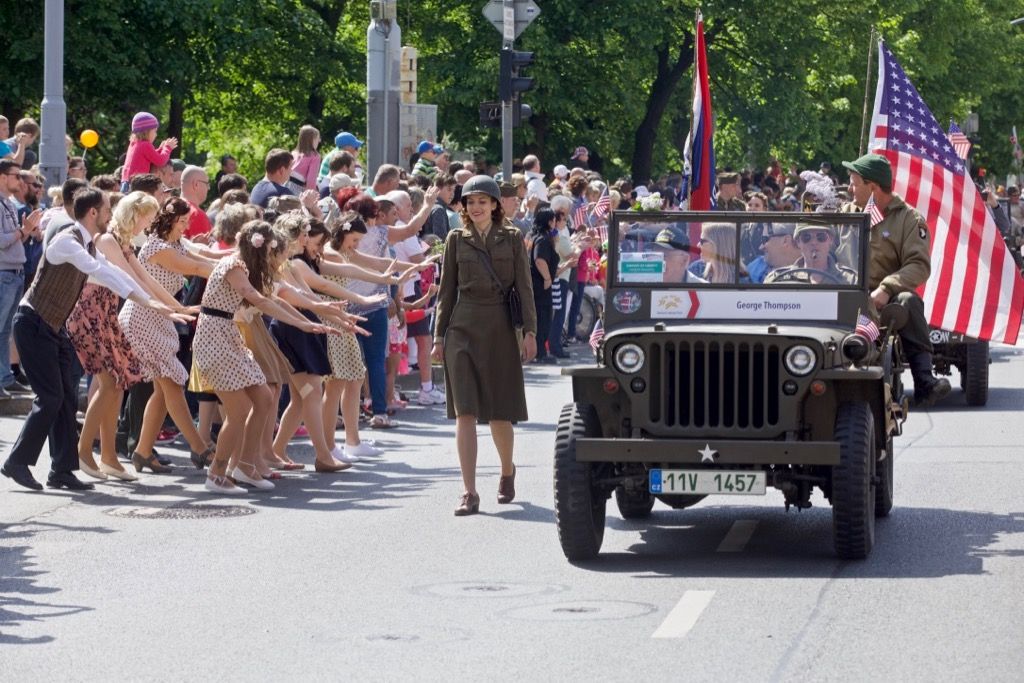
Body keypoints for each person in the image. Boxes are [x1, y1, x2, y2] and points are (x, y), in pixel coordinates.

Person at [1, 189, 186, 491]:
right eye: (107, 209)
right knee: (49, 398)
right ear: (93, 214)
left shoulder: (87, 243)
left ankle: (62, 470)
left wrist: (148, 300)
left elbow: (113, 270)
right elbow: (98, 270)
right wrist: (147, 302)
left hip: (54, 327)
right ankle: (18, 462)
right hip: (33, 323)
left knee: (66, 398)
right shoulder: (67, 241)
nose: (111, 214)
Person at [431, 176, 538, 515]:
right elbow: (446, 291)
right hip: (462, 326)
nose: (476, 207)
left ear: (495, 205)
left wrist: (530, 332)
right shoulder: (455, 239)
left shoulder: (512, 238)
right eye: (470, 201)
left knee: (499, 414)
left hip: (500, 326)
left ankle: (507, 471)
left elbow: (524, 288)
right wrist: (438, 336)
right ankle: (469, 491)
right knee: (465, 412)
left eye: (483, 201)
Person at [67, 192, 191, 482]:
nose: (148, 223)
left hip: (106, 311)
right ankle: (85, 450)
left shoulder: (123, 244)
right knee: (111, 384)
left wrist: (175, 308)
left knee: (117, 385)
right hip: (91, 311)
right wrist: (161, 307)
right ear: (134, 214)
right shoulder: (108, 241)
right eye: (146, 217)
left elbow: (147, 280)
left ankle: (108, 457)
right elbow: (130, 282)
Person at [118, 198, 218, 474]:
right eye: (183, 221)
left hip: (160, 318)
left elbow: (205, 257)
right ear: (170, 220)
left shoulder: (175, 243)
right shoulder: (157, 247)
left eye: (187, 222)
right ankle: (200, 448)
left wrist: (238, 257)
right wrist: (230, 272)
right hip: (142, 319)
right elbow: (197, 268)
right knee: (173, 382)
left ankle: (142, 451)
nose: (186, 227)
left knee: (164, 390)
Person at [841, 152, 950, 406]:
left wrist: (886, 288)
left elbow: (918, 265)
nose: (849, 189)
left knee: (908, 300)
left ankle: (925, 380)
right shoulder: (847, 213)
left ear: (873, 187)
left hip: (884, 299)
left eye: (854, 183)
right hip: (846, 293)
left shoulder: (908, 219)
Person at [0, 159, 38, 395]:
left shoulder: (10, 205)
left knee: (5, 330)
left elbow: (15, 242)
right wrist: (23, 231)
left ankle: (4, 378)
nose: (21, 181)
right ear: (3, 177)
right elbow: (2, 242)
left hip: (15, 273)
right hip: (4, 274)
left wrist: (27, 231)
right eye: (16, 176)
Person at [764, 225, 857, 285]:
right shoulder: (778, 279)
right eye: (806, 237)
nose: (814, 242)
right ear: (798, 242)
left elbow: (862, 315)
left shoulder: (850, 280)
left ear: (830, 240)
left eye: (821, 237)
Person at [528, 209, 559, 363]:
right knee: (542, 319)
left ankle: (538, 352)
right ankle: (539, 353)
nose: (555, 223)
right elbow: (539, 260)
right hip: (540, 286)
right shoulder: (543, 239)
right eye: (553, 220)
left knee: (540, 318)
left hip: (535, 285)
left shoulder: (533, 236)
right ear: (548, 221)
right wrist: (547, 278)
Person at [119, 112, 178, 191]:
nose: (156, 134)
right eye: (155, 131)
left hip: (125, 183)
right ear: (146, 131)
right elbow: (161, 161)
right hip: (137, 184)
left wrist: (160, 149)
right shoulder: (145, 145)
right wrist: (167, 148)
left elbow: (147, 157)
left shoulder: (134, 144)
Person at [290, 125, 322, 193]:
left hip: (285, 185)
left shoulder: (293, 153)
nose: (319, 141)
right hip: (297, 190)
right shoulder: (315, 156)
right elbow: (311, 181)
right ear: (311, 140)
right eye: (317, 138)